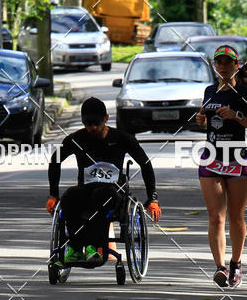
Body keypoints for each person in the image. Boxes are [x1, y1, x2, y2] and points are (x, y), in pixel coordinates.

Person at [46, 97, 161, 263]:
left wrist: (152, 198)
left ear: (106, 118)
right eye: (88, 123)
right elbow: (55, 161)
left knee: (101, 195)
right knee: (70, 195)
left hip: (113, 191)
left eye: (96, 123)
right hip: (86, 189)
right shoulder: (76, 139)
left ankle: (92, 247)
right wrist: (53, 195)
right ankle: (75, 248)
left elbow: (145, 163)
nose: (92, 127)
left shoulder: (121, 138)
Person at [195, 44, 247, 289]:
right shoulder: (209, 90)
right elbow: (205, 116)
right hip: (211, 159)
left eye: (228, 62)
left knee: (235, 217)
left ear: (237, 65)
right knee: (216, 217)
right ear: (215, 66)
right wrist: (201, 119)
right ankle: (220, 268)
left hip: (237, 160)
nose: (223, 66)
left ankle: (236, 263)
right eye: (219, 62)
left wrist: (237, 116)